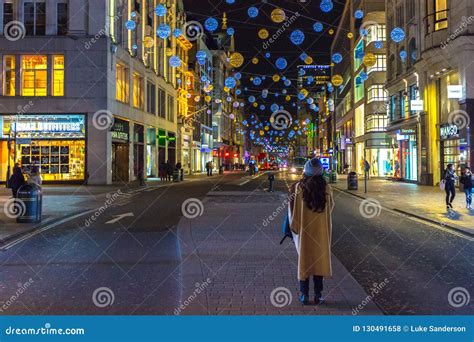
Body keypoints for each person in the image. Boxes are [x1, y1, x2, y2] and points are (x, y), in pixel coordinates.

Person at [289, 158, 334, 305]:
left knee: (304, 262)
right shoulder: (326, 187)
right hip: (321, 232)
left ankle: (304, 294)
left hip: (305, 231)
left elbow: (295, 211)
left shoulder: (300, 188)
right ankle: (318, 295)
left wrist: (294, 227)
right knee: (319, 263)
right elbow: (331, 207)